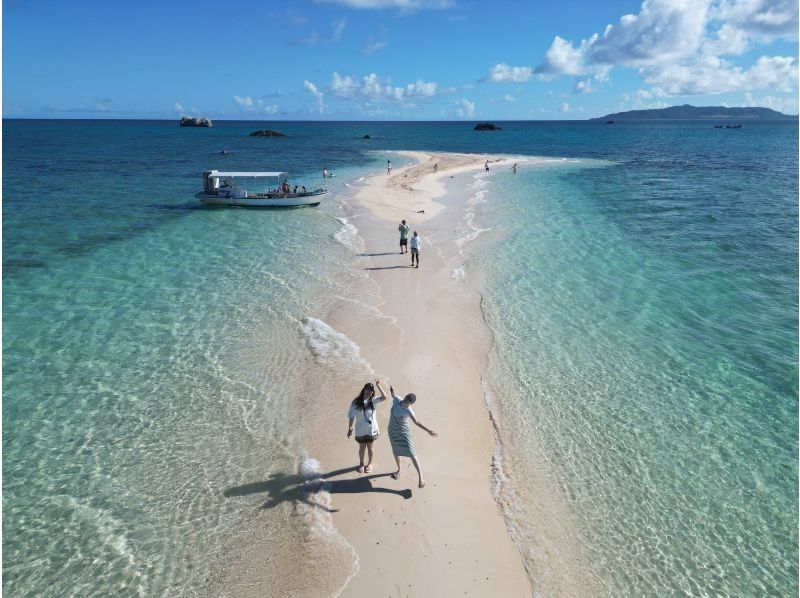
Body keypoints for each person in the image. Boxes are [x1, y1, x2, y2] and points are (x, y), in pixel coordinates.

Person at [375, 380, 437, 488]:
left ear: (411, 403)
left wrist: (428, 430)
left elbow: (416, 422)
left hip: (403, 432)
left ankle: (421, 479)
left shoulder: (409, 411)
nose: (407, 399)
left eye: (410, 400)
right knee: (395, 451)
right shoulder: (397, 399)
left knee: (411, 453)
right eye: (408, 397)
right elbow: (393, 395)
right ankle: (399, 470)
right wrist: (390, 389)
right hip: (392, 431)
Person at [347, 381, 387, 473]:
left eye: (371, 390)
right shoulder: (356, 402)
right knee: (361, 448)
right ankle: (361, 464)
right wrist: (350, 427)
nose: (369, 391)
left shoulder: (374, 400)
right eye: (367, 389)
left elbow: (385, 397)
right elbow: (351, 415)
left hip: (371, 430)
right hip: (360, 430)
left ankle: (370, 464)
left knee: (370, 448)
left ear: (373, 392)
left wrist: (378, 386)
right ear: (364, 390)